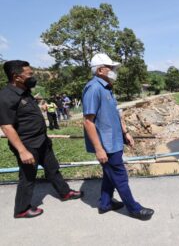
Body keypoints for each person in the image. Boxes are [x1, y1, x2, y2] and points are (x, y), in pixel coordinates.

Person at [0, 60, 83, 218]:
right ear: (16, 77)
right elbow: (7, 127)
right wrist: (23, 151)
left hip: (42, 141)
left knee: (52, 169)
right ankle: (22, 209)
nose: (33, 76)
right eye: (29, 74)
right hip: (27, 145)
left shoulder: (25, 91)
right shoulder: (6, 97)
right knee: (28, 178)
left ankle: (65, 193)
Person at [82, 53, 154, 220]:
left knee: (110, 174)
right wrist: (99, 149)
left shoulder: (107, 86)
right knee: (120, 176)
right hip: (106, 145)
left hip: (114, 140)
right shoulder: (94, 88)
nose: (115, 70)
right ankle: (134, 208)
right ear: (100, 70)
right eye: (111, 68)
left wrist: (125, 133)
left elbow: (115, 114)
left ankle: (105, 203)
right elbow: (88, 122)